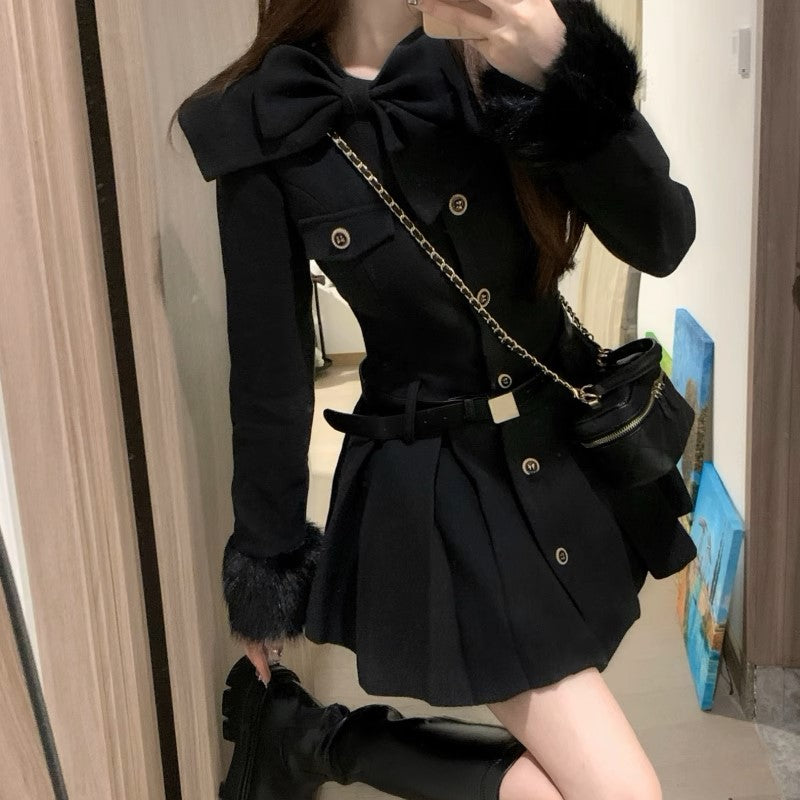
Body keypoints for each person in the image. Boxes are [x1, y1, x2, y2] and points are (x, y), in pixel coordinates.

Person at [176, 0, 698, 798]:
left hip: (561, 450)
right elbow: (267, 372)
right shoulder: (270, 114)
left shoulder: (508, 44)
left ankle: (307, 738)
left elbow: (663, 237)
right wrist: (266, 558)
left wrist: (560, 62)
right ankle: (313, 739)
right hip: (441, 482)